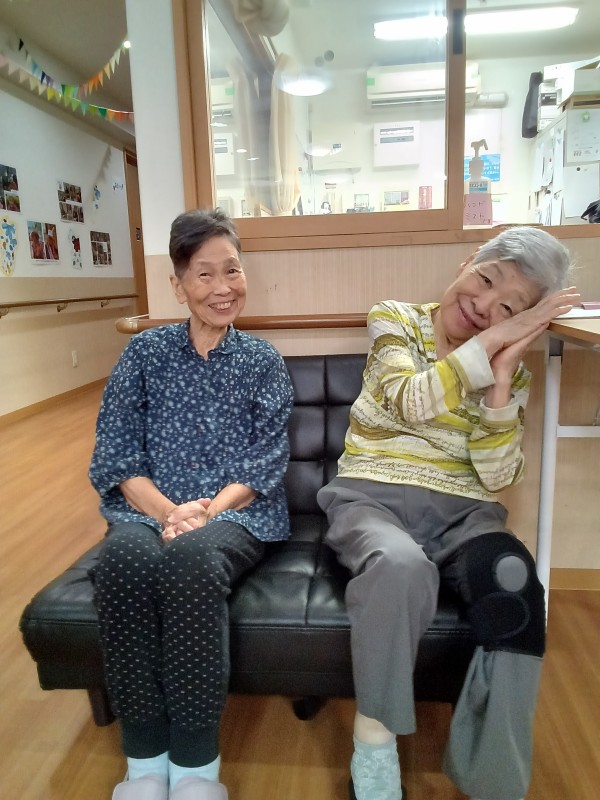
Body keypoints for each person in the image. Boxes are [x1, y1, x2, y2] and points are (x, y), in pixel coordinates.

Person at [317, 226, 579, 800]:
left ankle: (493, 776)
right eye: (485, 280)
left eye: (508, 307)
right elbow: (408, 399)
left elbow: (498, 476)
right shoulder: (396, 320)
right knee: (400, 566)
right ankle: (374, 745)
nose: (484, 306)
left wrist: (502, 381)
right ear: (467, 263)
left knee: (514, 580)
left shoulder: (512, 371)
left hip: (466, 514)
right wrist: (497, 339)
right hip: (371, 498)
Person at [90, 208, 293, 800]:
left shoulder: (263, 361)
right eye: (204, 274)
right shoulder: (144, 354)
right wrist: (167, 513)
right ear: (178, 286)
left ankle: (197, 767)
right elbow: (117, 454)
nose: (223, 287)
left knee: (192, 560)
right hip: (148, 511)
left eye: (232, 270)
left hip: (236, 514)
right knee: (122, 562)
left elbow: (263, 464)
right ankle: (144, 763)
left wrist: (203, 515)